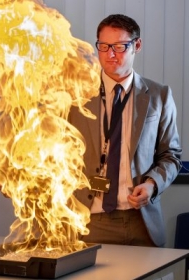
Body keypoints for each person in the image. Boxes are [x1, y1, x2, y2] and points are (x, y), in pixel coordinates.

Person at [69, 14, 182, 247]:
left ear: (136, 45)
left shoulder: (159, 96)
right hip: (89, 220)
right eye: (104, 46)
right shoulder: (74, 95)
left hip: (141, 221)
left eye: (120, 46)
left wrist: (151, 184)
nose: (111, 54)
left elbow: (171, 155)